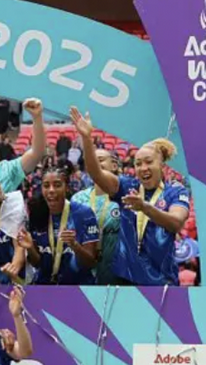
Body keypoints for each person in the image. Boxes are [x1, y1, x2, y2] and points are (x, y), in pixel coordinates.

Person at [70, 107, 190, 286]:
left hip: (161, 280)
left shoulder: (175, 191)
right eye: (138, 164)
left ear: (162, 165)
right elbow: (97, 174)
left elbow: (176, 223)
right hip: (125, 279)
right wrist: (87, 139)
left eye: (149, 162)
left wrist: (145, 207)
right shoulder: (128, 186)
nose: (143, 168)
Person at [19, 161, 99, 285]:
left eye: (57, 185)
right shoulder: (36, 214)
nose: (51, 190)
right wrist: (30, 248)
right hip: (45, 287)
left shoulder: (84, 214)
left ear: (66, 187)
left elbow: (90, 263)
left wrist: (74, 245)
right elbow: (37, 263)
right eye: (46, 186)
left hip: (78, 288)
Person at [71, 149, 122, 285]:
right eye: (91, 162)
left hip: (117, 277)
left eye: (100, 160)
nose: (94, 164)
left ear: (114, 166)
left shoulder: (124, 198)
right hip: (84, 276)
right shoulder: (78, 199)